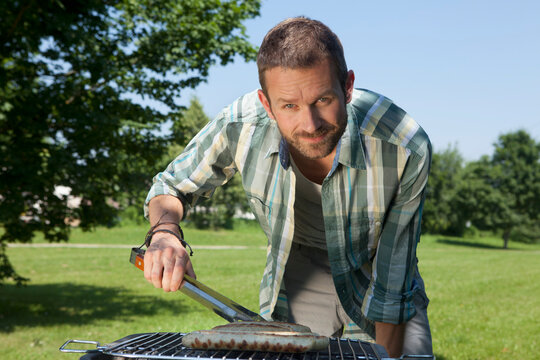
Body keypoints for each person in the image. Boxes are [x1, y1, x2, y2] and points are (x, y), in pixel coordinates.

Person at [142, 17, 432, 358]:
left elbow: (391, 286)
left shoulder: (403, 146)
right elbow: (172, 186)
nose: (309, 125)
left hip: (373, 266)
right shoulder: (240, 124)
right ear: (267, 104)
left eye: (323, 100)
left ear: (348, 86)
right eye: (289, 106)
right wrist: (164, 233)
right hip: (300, 271)